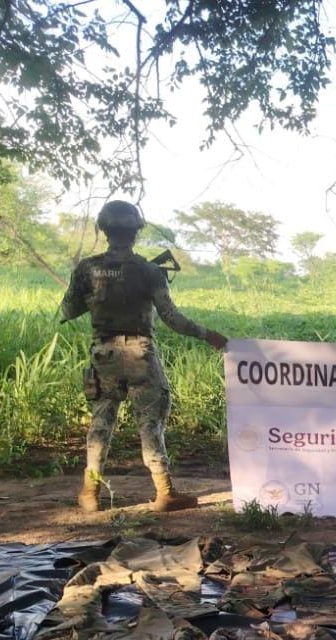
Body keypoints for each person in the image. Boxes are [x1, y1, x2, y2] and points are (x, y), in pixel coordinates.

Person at [60, 200, 228, 512]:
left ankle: (90, 493)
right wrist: (207, 334)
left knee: (101, 422)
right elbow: (172, 318)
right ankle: (165, 492)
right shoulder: (150, 271)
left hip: (103, 354)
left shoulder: (87, 269)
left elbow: (68, 309)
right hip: (140, 353)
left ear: (104, 230)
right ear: (136, 232)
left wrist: (96, 295)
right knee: (151, 423)